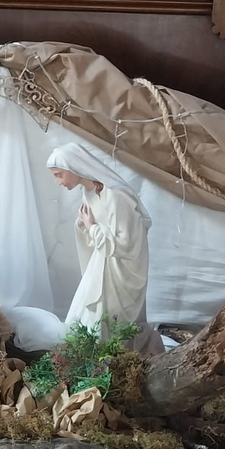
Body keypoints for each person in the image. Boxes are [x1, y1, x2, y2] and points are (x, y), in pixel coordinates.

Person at [46, 142, 164, 354]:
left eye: (59, 174)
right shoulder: (88, 193)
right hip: (102, 267)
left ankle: (117, 360)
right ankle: (99, 362)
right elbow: (96, 234)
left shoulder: (116, 196)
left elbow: (126, 243)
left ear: (73, 167)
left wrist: (93, 228)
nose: (58, 182)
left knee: (116, 321)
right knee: (93, 317)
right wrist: (83, 227)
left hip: (121, 271)